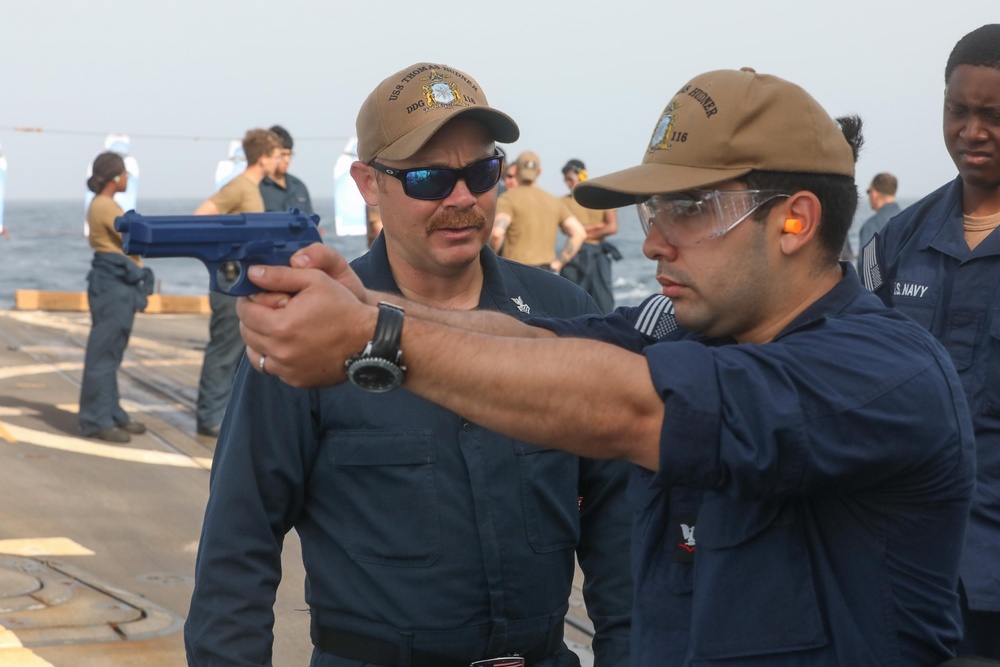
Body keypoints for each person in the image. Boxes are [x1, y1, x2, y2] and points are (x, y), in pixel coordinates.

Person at [237, 67, 977, 667]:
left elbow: (631, 406)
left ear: (795, 220)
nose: (654, 242)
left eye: (686, 208)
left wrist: (376, 338)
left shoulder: (884, 375)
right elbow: (537, 343)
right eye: (653, 212)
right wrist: (363, 300)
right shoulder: (694, 335)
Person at [185, 62, 633, 667]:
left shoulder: (561, 314)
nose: (462, 199)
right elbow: (238, 542)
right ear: (368, 184)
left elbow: (622, 539)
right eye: (427, 178)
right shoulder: (312, 330)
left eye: (482, 172)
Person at [861, 23, 1000, 660]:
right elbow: (853, 377)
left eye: (993, 115)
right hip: (898, 568)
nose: (972, 132)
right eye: (958, 112)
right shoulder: (894, 241)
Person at [193, 128, 282, 438]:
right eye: (275, 155)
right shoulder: (239, 187)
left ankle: (222, 413)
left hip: (240, 282)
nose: (278, 161)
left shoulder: (252, 188)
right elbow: (201, 217)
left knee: (237, 351)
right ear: (263, 157)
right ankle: (209, 417)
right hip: (229, 281)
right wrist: (232, 251)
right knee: (224, 349)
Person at [78, 152, 154, 443]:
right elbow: (132, 236)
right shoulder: (105, 206)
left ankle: (110, 411)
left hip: (116, 282)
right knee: (103, 354)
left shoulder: (106, 204)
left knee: (112, 352)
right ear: (113, 177)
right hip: (112, 284)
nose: (127, 178)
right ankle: (95, 420)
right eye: (123, 173)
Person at [490, 151, 587, 272]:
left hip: (516, 271)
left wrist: (491, 263)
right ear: (539, 172)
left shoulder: (508, 199)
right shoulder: (553, 201)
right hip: (546, 274)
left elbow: (496, 234)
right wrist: (558, 263)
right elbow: (579, 233)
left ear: (516, 171)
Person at [559, 159, 620, 313]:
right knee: (573, 300)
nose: (568, 183)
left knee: (604, 302)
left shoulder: (603, 195)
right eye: (565, 179)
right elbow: (566, 231)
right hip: (576, 254)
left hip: (598, 254)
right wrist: (599, 226)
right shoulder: (563, 202)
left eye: (570, 178)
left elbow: (612, 227)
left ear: (581, 175)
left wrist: (580, 231)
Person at [260, 124, 314, 216]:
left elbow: (311, 223)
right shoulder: (257, 187)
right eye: (282, 155)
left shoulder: (299, 187)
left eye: (289, 155)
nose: (287, 160)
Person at [856, 172, 901, 269]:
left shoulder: (871, 225)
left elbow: (865, 267)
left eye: (869, 191)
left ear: (874, 193)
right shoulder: (911, 220)